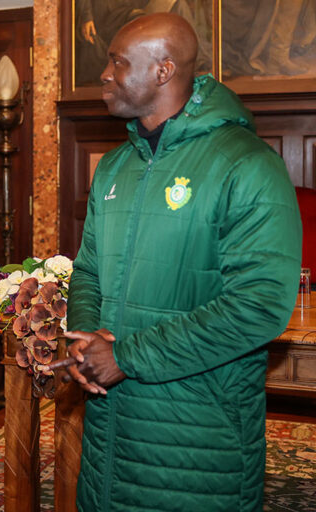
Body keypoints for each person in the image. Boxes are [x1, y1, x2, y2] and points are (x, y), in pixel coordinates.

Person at [57, 13, 302, 511]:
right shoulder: (114, 165)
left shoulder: (246, 164)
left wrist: (126, 357)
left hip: (198, 436)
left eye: (118, 62)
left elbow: (257, 306)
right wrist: (85, 340)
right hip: (111, 429)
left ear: (164, 71)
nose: (104, 74)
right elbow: (88, 270)